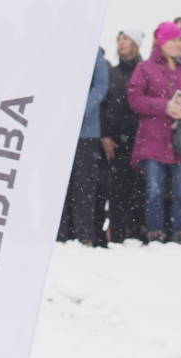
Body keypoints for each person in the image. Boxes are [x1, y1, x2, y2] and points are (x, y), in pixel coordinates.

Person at [127, 21, 181, 245]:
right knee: (154, 191)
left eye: (180, 39)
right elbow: (135, 98)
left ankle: (180, 232)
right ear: (162, 42)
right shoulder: (144, 67)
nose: (179, 43)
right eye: (173, 39)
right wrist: (163, 105)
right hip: (153, 138)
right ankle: (155, 232)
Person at [57, 49, 108, 247]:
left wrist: (80, 109)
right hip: (58, 132)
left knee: (83, 185)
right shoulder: (59, 47)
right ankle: (58, 234)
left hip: (85, 132)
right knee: (59, 186)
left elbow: (101, 85)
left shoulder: (92, 49)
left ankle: (84, 235)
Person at [102, 28, 145, 243]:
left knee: (140, 190)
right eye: (119, 39)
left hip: (142, 141)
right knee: (117, 190)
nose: (121, 43)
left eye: (126, 39)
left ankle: (137, 233)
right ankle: (118, 234)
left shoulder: (145, 70)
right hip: (116, 143)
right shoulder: (112, 73)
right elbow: (104, 105)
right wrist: (105, 135)